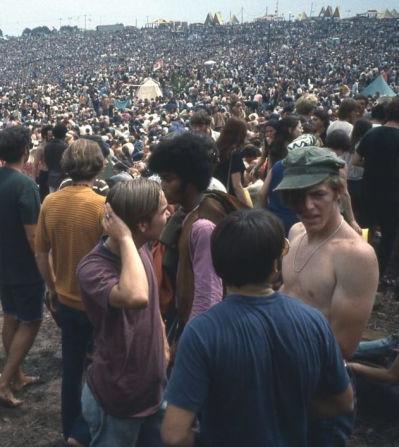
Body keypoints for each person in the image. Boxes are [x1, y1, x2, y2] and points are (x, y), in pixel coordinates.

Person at [161, 209, 354, 447]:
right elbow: (343, 402)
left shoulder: (202, 332)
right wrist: (284, 412)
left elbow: (174, 434)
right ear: (275, 265)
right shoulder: (313, 322)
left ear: (218, 267)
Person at [277, 146, 378, 446]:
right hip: (284, 380)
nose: (306, 206)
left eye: (317, 194)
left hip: (320, 391)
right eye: (297, 196)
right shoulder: (296, 232)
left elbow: (343, 346)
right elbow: (286, 293)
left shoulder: (355, 255)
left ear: (337, 192)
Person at [76, 178, 169, 447]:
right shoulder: (92, 268)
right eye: (163, 211)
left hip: (152, 389)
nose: (169, 214)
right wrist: (126, 237)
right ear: (142, 225)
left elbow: (151, 307)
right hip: (118, 398)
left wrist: (161, 341)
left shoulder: (141, 249)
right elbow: (137, 296)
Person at [34, 138, 106, 446]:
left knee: (72, 367)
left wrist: (51, 286)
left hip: (64, 299)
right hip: (98, 303)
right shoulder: (102, 205)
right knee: (100, 367)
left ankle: (70, 430)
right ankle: (88, 430)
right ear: (98, 165)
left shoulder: (50, 202)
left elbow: (41, 252)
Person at [0, 125, 43, 407]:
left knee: (11, 316)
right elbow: (33, 236)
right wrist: (45, 266)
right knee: (31, 320)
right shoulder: (26, 185)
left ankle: (16, 373)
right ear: (25, 151)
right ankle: (5, 382)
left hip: (0, 262)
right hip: (23, 266)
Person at [148, 132, 225, 347]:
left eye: (168, 179)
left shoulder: (203, 226)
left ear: (190, 181)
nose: (163, 185)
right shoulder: (188, 213)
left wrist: (191, 344)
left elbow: (207, 297)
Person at [353, 97, 399, 284]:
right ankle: (378, 276)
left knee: (365, 229)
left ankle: (359, 266)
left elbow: (355, 160)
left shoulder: (371, 134)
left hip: (368, 190)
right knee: (388, 235)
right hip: (393, 194)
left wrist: (372, 164)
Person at [214, 118, 251, 206]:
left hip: (213, 197)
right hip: (228, 200)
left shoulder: (215, 149)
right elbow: (236, 185)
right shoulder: (234, 154)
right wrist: (246, 208)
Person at [44, 123, 69, 192]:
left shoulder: (47, 146)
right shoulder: (65, 147)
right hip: (62, 179)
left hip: (51, 178)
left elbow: (46, 161)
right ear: (64, 135)